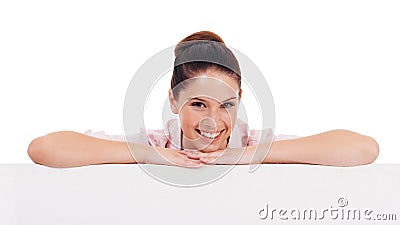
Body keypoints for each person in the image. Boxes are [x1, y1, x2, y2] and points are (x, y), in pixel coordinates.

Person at [27, 31, 379, 168]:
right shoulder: (151, 143)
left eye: (226, 104)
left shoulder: (253, 143)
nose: (213, 121)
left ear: (240, 100)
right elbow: (43, 149)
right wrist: (154, 156)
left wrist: (241, 157)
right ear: (174, 100)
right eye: (198, 104)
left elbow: (364, 149)